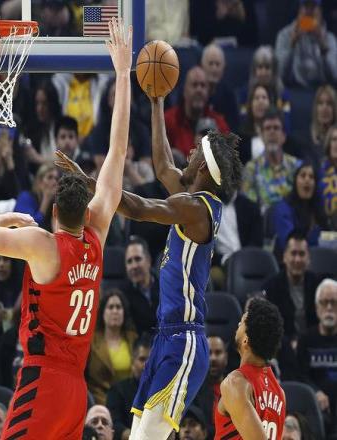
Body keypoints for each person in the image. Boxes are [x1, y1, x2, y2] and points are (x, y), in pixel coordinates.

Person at [0, 18, 133, 439]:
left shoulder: (43, 244)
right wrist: (123, 74)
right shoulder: (97, 236)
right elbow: (117, 152)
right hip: (77, 389)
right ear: (87, 211)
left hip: (45, 380)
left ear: (54, 211)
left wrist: (9, 218)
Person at [58, 104, 242, 438]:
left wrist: (88, 183)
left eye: (195, 150)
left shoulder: (195, 208)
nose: (189, 152)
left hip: (183, 340)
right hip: (167, 337)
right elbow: (162, 166)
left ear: (203, 166)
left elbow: (139, 208)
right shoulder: (192, 201)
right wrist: (157, 102)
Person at [215, 298, 285, 439]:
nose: (238, 324)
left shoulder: (236, 383)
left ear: (246, 339)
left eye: (242, 322)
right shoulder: (279, 392)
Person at [263, 232, 319, 346]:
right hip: (281, 347)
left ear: (308, 258)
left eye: (302, 254)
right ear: (284, 257)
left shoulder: (318, 285)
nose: (297, 259)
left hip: (313, 346)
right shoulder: (271, 287)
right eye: (293, 253)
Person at [297, 278, 337, 436]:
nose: (329, 308)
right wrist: (315, 392)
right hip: (316, 406)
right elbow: (300, 375)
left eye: (334, 302)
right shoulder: (306, 339)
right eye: (324, 302)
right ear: (316, 307)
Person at [87, 289, 138, 405]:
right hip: (99, 402)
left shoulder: (133, 339)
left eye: (118, 307)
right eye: (110, 307)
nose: (115, 311)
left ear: (124, 312)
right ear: (102, 312)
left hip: (129, 403)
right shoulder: (91, 342)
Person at [275, 0, 337, 89]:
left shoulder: (330, 38)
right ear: (298, 11)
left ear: (320, 12)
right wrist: (292, 45)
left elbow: (334, 76)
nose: (309, 11)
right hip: (293, 89)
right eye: (306, 7)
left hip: (321, 91)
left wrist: (323, 47)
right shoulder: (284, 35)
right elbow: (280, 74)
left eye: (313, 7)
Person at [106, 334, 152, 440]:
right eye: (142, 359)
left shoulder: (163, 392)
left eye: (151, 360)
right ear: (132, 362)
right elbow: (114, 425)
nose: (147, 365)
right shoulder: (117, 390)